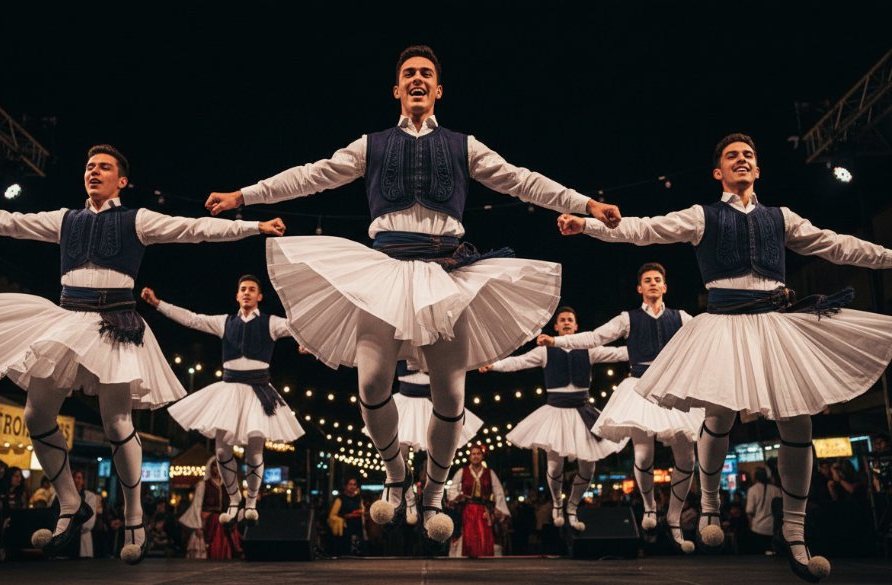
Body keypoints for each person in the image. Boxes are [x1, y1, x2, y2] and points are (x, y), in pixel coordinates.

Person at [203, 45, 621, 543]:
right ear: (396, 89)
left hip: (445, 275)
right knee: (371, 384)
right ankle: (397, 472)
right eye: (409, 74)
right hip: (384, 271)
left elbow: (522, 180)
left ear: (439, 89)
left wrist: (585, 204)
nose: (417, 79)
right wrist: (244, 196)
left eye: (425, 74)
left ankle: (435, 490)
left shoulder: (464, 145)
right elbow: (311, 175)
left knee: (451, 393)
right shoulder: (372, 145)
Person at [558, 133, 892, 582]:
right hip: (724, 325)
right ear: (719, 172)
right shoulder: (702, 215)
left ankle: (794, 533)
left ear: (758, 168)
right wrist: (588, 226)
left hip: (774, 324)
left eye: (749, 155)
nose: (742, 159)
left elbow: (837, 244)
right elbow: (644, 229)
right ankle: (710, 504)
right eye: (732, 156)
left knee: (799, 423)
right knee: (719, 414)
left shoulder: (781, 217)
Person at [0, 144, 285, 563]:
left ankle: (134, 518)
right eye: (89, 166)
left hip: (115, 323)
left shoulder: (136, 219)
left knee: (117, 421)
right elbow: (4, 222)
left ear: (122, 180)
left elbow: (194, 229)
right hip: (69, 320)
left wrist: (253, 227)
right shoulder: (66, 219)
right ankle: (71, 503)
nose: (94, 171)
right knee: (35, 415)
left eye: (104, 167)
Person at [536, 262, 703, 552]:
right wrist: (557, 341)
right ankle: (649, 507)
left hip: (672, 387)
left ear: (665, 287)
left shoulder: (682, 317)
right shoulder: (628, 319)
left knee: (687, 458)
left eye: (657, 279)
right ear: (640, 288)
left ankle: (674, 517)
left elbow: (705, 338)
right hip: (640, 387)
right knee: (643, 452)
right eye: (647, 280)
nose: (653, 283)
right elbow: (595, 337)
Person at [142, 276, 304, 526]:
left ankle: (251, 503)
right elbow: (192, 319)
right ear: (237, 296)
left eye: (252, 290)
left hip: (258, 391)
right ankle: (234, 499)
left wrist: (307, 344)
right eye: (243, 289)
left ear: (259, 296)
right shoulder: (225, 322)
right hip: (229, 391)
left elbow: (297, 325)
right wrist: (158, 304)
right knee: (220, 450)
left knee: (255, 450)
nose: (247, 293)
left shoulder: (271, 323)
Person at [481, 307, 628, 532]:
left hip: (582, 412)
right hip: (556, 411)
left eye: (570, 319)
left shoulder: (589, 349)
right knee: (554, 464)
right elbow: (519, 362)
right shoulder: (545, 351)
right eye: (563, 320)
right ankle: (558, 503)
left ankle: (573, 506)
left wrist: (649, 351)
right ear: (556, 326)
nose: (567, 322)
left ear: (576, 326)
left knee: (588, 468)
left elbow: (617, 353)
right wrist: (494, 365)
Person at [381, 361, 484, 525]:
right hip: (406, 400)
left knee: (437, 453)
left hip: (434, 399)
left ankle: (431, 498)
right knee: (399, 453)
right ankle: (409, 498)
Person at [445, 445, 510, 558]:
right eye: (473, 454)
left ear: (482, 456)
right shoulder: (462, 471)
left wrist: (499, 509)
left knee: (484, 534)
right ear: (469, 457)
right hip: (467, 510)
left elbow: (499, 492)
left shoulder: (489, 473)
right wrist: (458, 496)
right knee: (468, 534)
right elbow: (452, 489)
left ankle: (485, 558)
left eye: (478, 454)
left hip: (484, 510)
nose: (475, 456)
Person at [747, 467, 781, 555]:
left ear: (755, 477)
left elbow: (750, 511)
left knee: (759, 556)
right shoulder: (776, 489)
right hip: (773, 528)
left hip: (758, 528)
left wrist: (750, 525)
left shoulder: (752, 490)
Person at [328, 478, 366, 556]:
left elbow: (363, 511)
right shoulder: (340, 499)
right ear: (345, 486)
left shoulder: (359, 498)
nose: (352, 486)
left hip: (358, 528)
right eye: (350, 484)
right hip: (345, 529)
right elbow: (333, 515)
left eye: (354, 484)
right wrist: (347, 516)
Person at [72, 469, 99, 558]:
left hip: (82, 537)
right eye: (74, 477)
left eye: (79, 478)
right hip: (67, 541)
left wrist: (71, 529)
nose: (76, 480)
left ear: (83, 481)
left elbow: (89, 521)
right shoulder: (64, 495)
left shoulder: (89, 496)